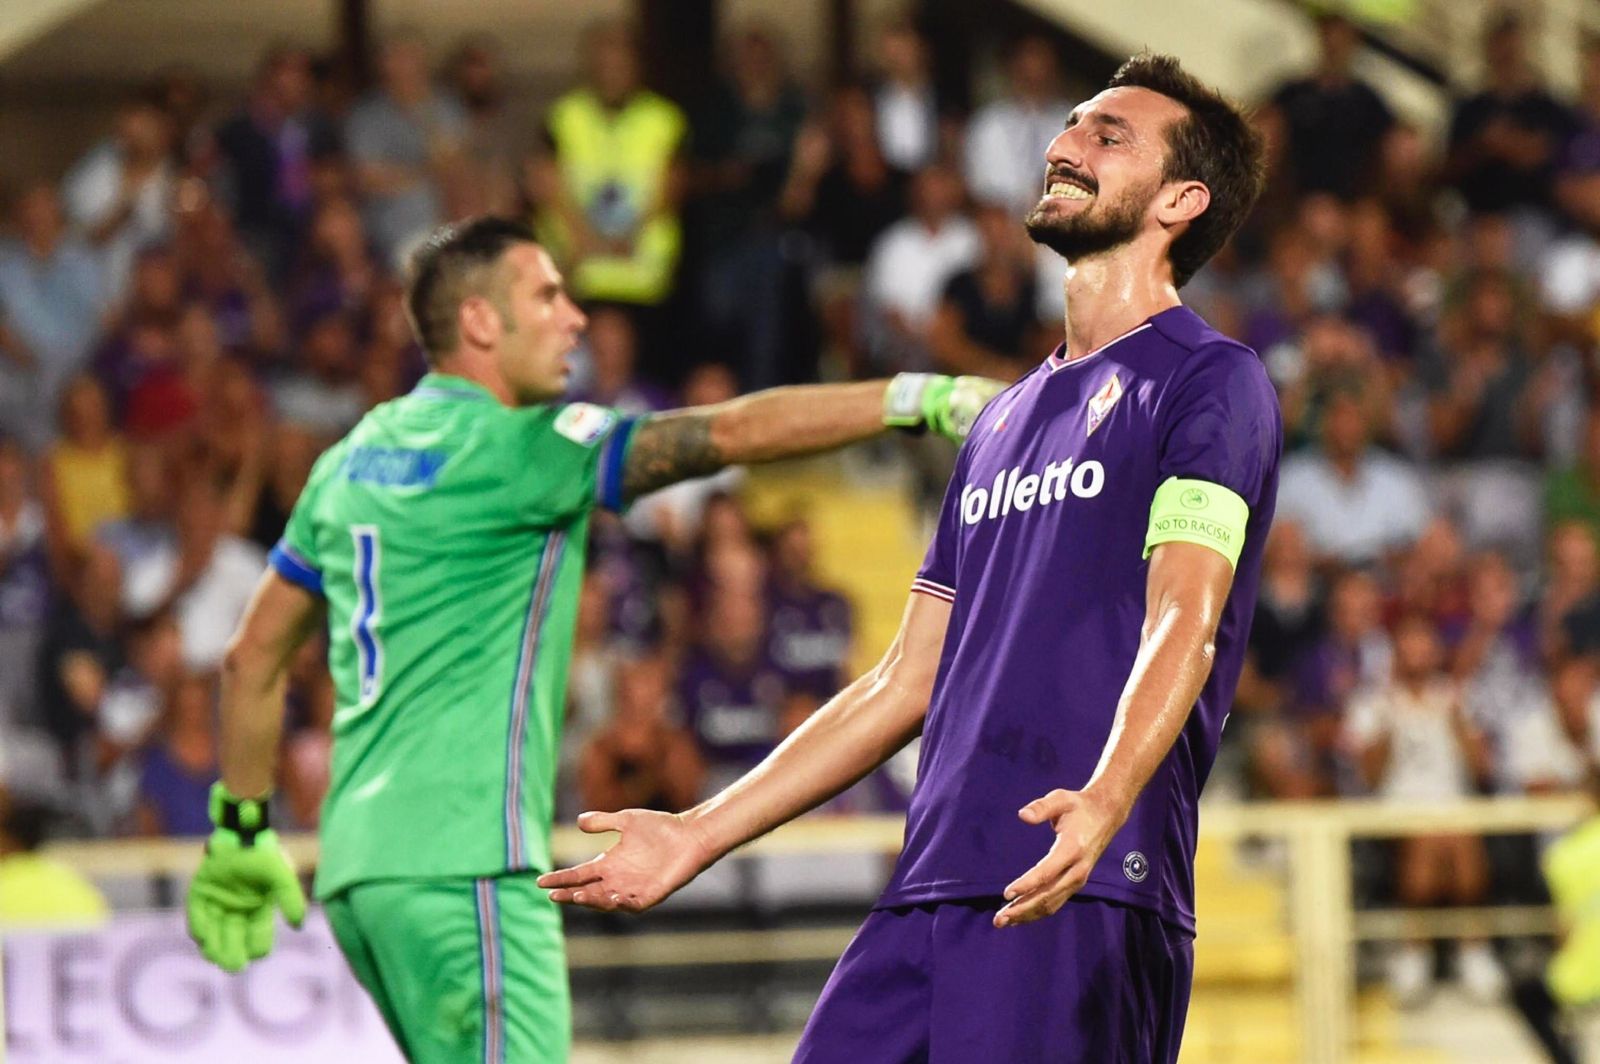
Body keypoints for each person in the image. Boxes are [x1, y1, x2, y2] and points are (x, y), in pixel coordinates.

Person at [542, 53, 1274, 1063]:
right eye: (1069, 124)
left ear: (1181, 201)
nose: (1065, 145)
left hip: (1080, 881)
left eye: (1109, 135)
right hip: (928, 893)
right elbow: (903, 679)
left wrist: (1105, 797)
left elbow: (1183, 619)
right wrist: (698, 832)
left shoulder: (1207, 381)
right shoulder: (1001, 420)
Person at [181, 215, 1001, 1062]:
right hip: (470, 866)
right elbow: (723, 433)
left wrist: (242, 827)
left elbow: (251, 658)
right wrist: (915, 398)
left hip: (360, 875)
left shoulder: (346, 462)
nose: (573, 317)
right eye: (546, 293)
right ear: (479, 322)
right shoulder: (525, 446)